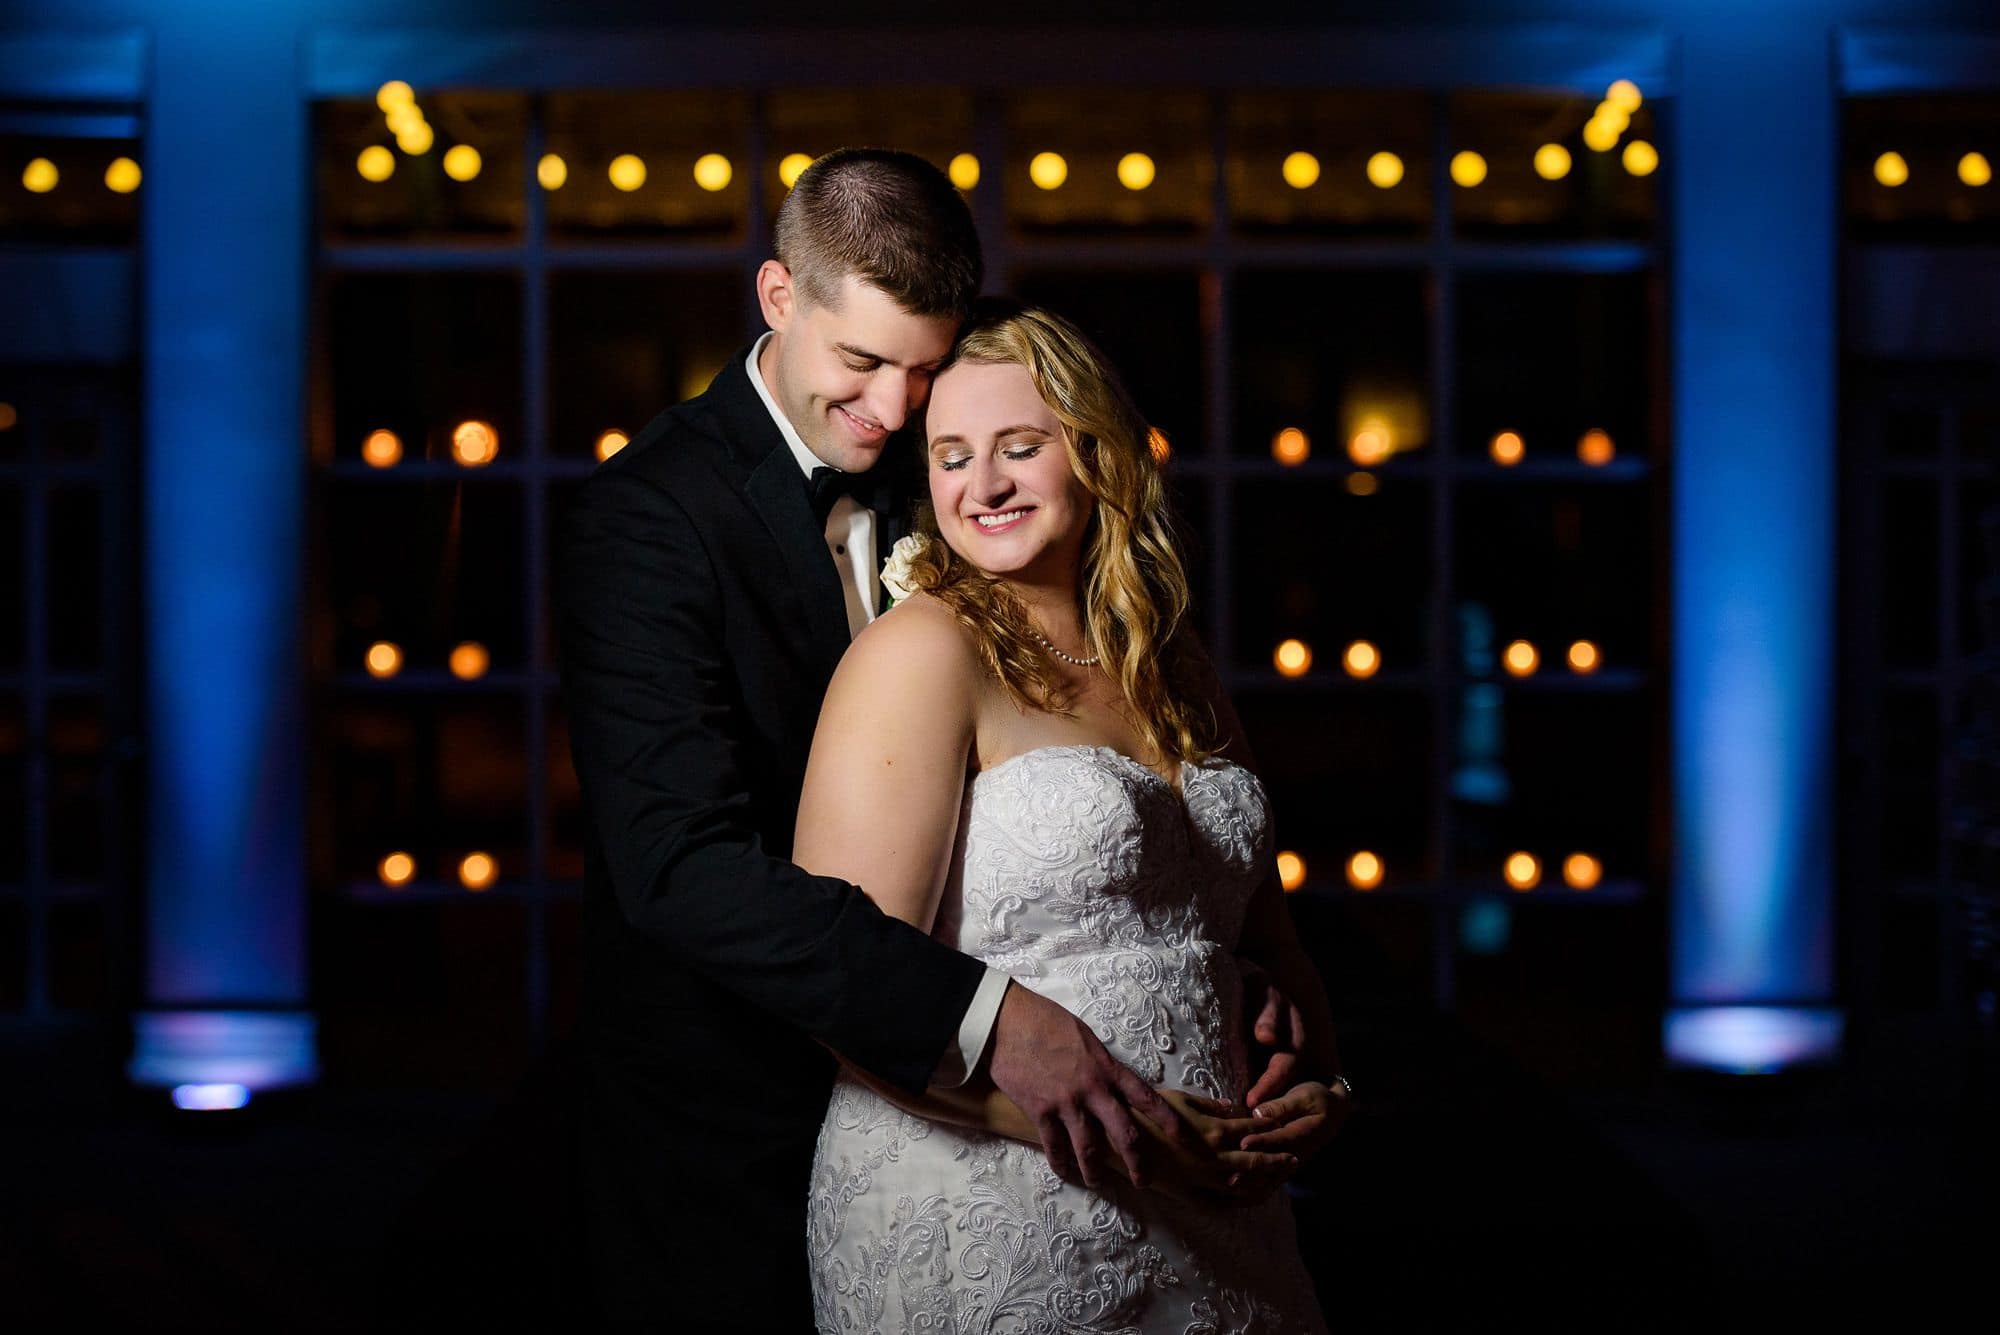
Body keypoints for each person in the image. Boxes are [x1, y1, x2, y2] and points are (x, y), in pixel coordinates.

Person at [556, 150, 1304, 1329]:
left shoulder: (952, 450)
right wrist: (989, 1023)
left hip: (1067, 1151)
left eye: (923, 369)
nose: (899, 413)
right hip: (735, 1116)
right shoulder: (648, 514)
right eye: (861, 362)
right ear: (777, 297)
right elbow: (676, 867)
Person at [798, 302, 1350, 1332]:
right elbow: (846, 986)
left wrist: (1313, 1080)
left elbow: (1264, 940)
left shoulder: (1171, 664)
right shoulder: (920, 652)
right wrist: (1110, 1129)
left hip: (1224, 1216)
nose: (983, 486)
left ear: (1095, 455)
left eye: (1019, 447)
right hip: (995, 1206)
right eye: (951, 456)